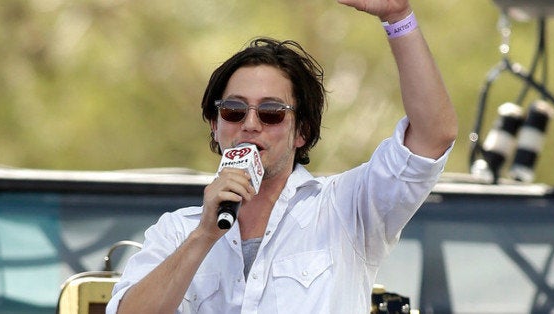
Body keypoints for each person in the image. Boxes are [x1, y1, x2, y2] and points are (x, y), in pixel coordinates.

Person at [107, 0, 458, 312]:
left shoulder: (345, 208)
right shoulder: (177, 230)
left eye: (271, 113)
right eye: (233, 110)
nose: (250, 124)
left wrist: (398, 17)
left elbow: (432, 137)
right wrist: (204, 236)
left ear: (301, 131)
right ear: (215, 125)